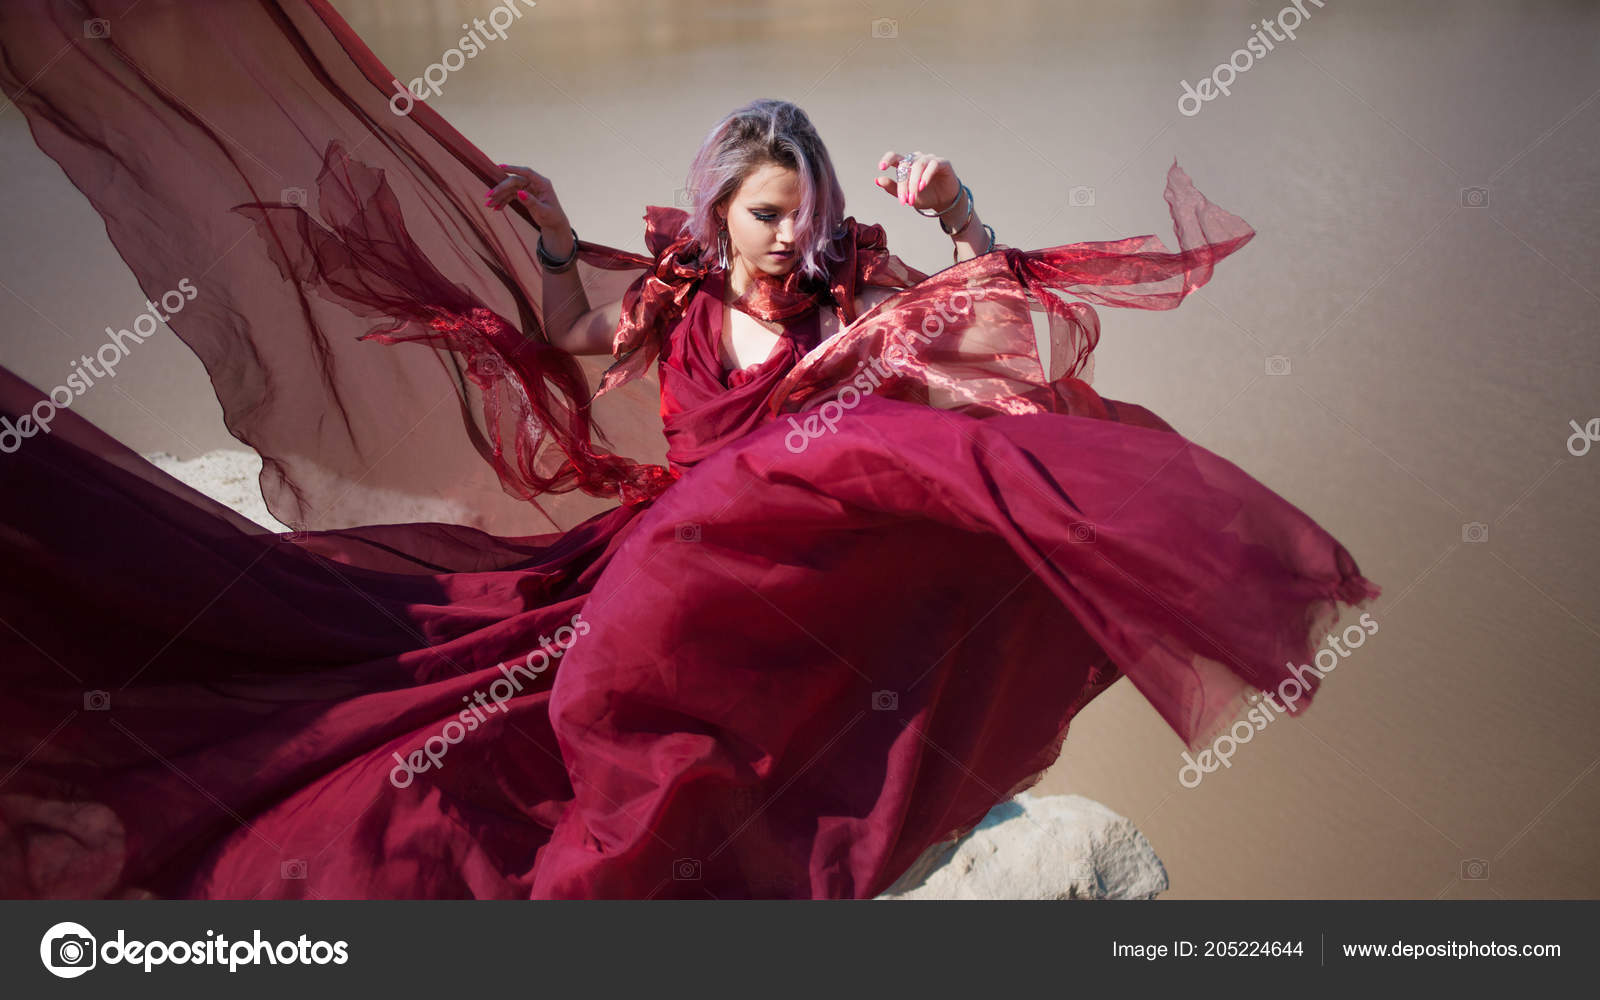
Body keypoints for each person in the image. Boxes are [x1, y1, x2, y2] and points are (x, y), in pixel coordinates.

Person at [0, 1, 1378, 899]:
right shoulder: (674, 303)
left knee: (934, 489)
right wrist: (544, 233)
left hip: (784, 578)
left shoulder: (853, 301)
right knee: (486, 740)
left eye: (805, 212)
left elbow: (998, 318)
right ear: (720, 216)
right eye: (766, 214)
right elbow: (563, 325)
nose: (788, 237)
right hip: (670, 567)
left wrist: (965, 210)